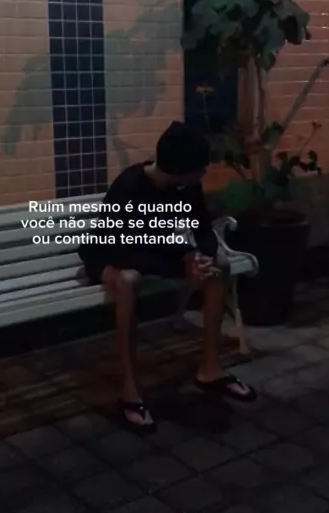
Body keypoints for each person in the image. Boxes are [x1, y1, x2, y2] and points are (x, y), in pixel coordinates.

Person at [79, 121, 256, 432]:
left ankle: (210, 370)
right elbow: (123, 249)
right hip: (107, 253)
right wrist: (182, 263)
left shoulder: (185, 186)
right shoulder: (130, 187)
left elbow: (202, 228)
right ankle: (130, 391)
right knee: (128, 280)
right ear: (181, 168)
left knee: (219, 267)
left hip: (148, 251)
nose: (204, 171)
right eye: (200, 167)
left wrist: (201, 255)